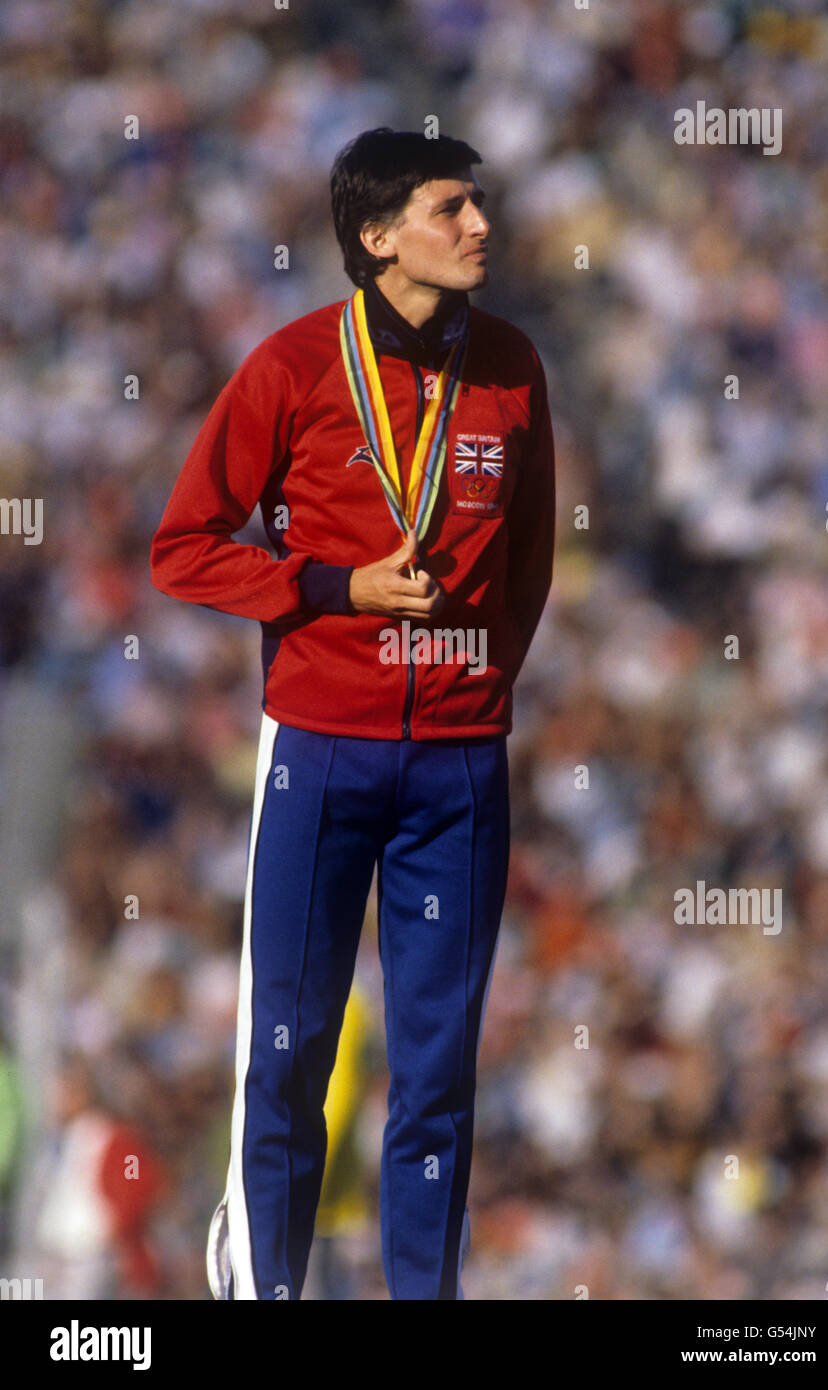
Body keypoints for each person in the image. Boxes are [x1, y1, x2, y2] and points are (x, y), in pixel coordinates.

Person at [150, 127, 556, 1300]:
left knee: (436, 1071)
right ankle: (266, 1287)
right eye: (450, 208)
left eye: (477, 204)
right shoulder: (288, 368)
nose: (479, 225)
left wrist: (479, 691)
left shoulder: (515, 366)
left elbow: (524, 569)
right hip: (320, 751)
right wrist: (328, 591)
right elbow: (183, 547)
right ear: (376, 239)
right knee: (287, 1055)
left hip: (459, 769)